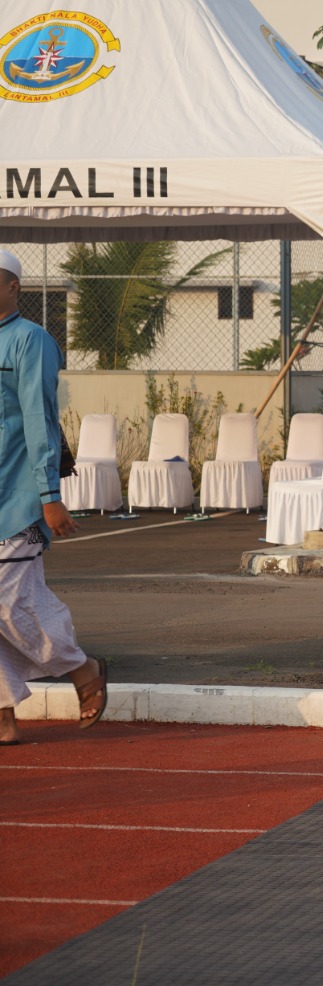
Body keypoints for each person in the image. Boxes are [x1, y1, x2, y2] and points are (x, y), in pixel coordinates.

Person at [0, 250, 106, 746]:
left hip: (17, 495)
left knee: (11, 604)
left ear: (13, 288)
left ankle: (81, 669)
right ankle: (3, 711)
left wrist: (49, 495)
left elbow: (41, 420)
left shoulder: (31, 341)